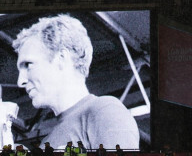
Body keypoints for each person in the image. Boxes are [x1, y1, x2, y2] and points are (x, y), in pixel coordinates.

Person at [13, 14, 139, 149]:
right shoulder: (46, 144)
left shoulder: (104, 111)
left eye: (28, 65)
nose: (20, 81)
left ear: (61, 58)